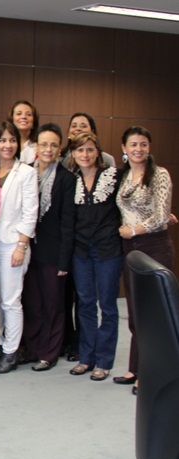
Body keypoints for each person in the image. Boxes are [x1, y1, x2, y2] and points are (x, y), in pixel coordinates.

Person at [115, 126, 174, 395]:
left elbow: (162, 216)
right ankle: (135, 368)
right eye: (133, 144)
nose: (138, 149)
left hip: (153, 247)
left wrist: (136, 230)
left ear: (149, 147)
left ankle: (150, 374)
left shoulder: (160, 174)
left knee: (153, 313)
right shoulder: (124, 175)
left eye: (143, 144)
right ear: (124, 148)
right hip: (130, 248)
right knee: (136, 312)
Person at [67, 132, 122, 382]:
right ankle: (86, 357)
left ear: (98, 151)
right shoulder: (71, 181)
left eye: (89, 150)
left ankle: (104, 360)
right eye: (80, 150)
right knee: (85, 304)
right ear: (73, 154)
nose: (85, 155)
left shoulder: (113, 176)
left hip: (108, 249)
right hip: (81, 251)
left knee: (108, 306)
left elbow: (129, 204)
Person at [0, 122, 37, 373]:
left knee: (10, 301)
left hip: (12, 243)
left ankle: (10, 352)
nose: (7, 145)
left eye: (12, 140)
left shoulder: (25, 172)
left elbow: (30, 213)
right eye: (2, 140)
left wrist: (21, 246)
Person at [22, 123, 76, 371]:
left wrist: (64, 262)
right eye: (44, 144)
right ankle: (32, 349)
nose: (48, 149)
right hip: (27, 249)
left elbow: (68, 224)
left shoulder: (66, 179)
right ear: (36, 146)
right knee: (32, 303)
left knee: (53, 304)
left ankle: (49, 352)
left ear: (60, 148)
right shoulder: (25, 173)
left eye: (54, 144)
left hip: (53, 253)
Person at [9, 100, 39, 165]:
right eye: (19, 113)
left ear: (34, 122)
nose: (23, 117)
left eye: (28, 114)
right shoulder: (4, 144)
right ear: (11, 119)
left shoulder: (39, 147)